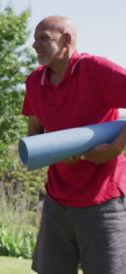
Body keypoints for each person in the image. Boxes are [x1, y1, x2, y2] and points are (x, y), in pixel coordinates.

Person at [22, 15, 126, 273]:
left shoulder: (96, 70)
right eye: (34, 40)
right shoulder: (35, 82)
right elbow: (34, 133)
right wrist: (53, 153)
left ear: (67, 40)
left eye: (43, 39)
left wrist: (116, 146)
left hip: (104, 200)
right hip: (57, 201)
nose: (35, 46)